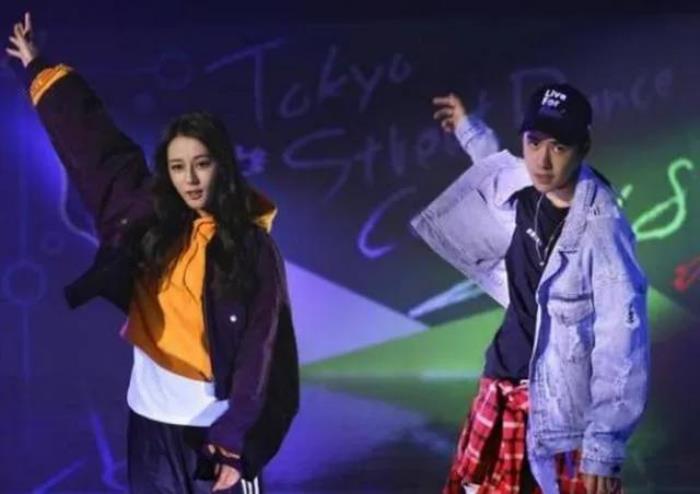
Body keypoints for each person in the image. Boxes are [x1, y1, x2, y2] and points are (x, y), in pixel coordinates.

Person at [7, 13, 299, 494]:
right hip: (150, 424)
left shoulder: (253, 247)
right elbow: (95, 145)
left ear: (222, 167)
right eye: (178, 166)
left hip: (216, 433)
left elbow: (261, 350)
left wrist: (233, 440)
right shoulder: (149, 219)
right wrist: (38, 68)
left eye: (202, 164)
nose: (191, 178)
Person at [412, 86, 649, 493]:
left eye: (558, 146)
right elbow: (491, 166)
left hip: (559, 413)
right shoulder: (525, 185)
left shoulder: (602, 228)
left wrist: (605, 445)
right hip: (499, 386)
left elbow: (622, 341)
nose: (542, 160)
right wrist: (467, 128)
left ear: (583, 147)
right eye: (534, 142)